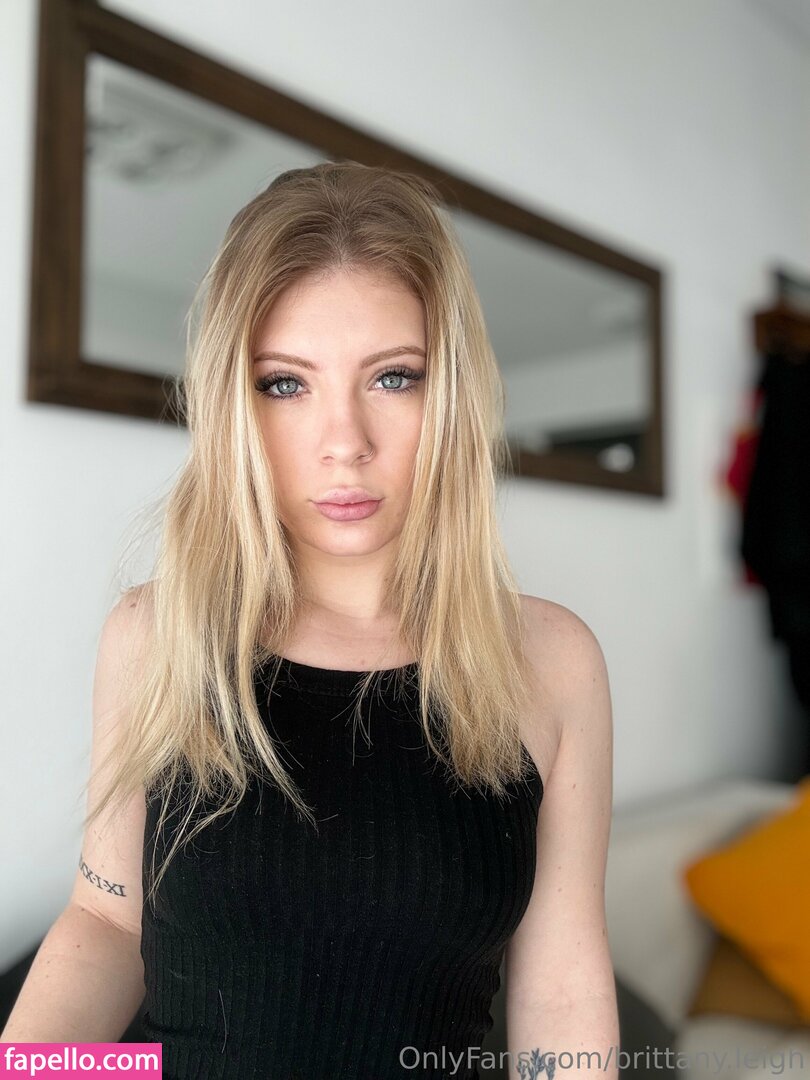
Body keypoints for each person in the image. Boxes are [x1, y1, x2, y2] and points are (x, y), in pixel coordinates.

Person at [2, 161, 618, 1078]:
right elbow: (106, 923)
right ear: (234, 403)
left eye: (394, 378)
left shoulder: (551, 659)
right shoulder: (157, 636)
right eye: (286, 384)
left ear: (450, 393)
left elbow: (561, 986)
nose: (345, 443)